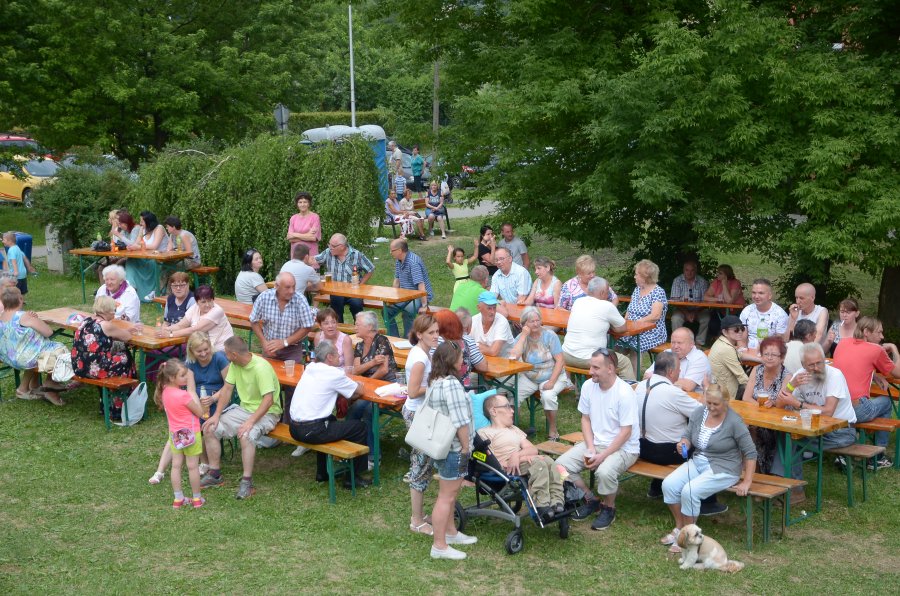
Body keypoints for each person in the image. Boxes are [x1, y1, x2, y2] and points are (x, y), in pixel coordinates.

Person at [660, 384, 756, 553]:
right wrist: (683, 443)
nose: (711, 407)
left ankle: (691, 537)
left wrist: (747, 482)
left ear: (726, 402)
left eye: (715, 404)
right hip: (699, 461)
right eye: (708, 402)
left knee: (690, 491)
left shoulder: (734, 421)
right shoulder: (699, 413)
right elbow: (688, 435)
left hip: (725, 468)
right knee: (668, 484)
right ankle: (680, 528)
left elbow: (751, 452)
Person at [557, 349, 640, 531]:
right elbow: (585, 419)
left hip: (625, 448)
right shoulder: (588, 386)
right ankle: (590, 498)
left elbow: (626, 432)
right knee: (560, 466)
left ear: (610, 368)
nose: (590, 371)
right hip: (596, 443)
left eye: (596, 367)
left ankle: (609, 507)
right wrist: (591, 447)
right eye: (590, 367)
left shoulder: (624, 393)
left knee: (604, 472)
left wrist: (602, 456)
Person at [636, 352, 723, 515]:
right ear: (670, 372)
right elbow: (705, 413)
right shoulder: (673, 392)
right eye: (678, 369)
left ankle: (656, 487)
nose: (680, 372)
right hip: (669, 453)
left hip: (643, 448)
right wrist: (706, 388)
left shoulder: (642, 385)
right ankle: (707, 502)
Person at [201, 336, 282, 499]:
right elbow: (227, 390)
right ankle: (215, 474)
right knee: (210, 428)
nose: (225, 356)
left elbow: (268, 400)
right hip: (244, 410)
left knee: (246, 435)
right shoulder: (235, 365)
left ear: (234, 354)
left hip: (268, 413)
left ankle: (247, 483)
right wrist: (216, 415)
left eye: (226, 353)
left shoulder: (261, 368)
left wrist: (250, 422)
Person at [149, 331, 232, 485]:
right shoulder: (190, 363)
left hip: (219, 399)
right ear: (192, 351)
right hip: (198, 400)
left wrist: (213, 398)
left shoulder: (219, 358)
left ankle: (205, 462)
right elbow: (191, 389)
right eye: (199, 351)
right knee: (180, 428)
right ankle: (160, 471)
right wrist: (197, 406)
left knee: (194, 426)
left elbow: (229, 386)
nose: (203, 353)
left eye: (206, 349)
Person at [289, 339, 372, 488]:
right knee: (360, 427)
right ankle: (352, 477)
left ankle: (322, 472)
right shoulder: (333, 373)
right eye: (337, 354)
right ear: (329, 357)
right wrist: (359, 385)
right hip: (312, 431)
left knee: (330, 419)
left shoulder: (310, 367)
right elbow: (359, 391)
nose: (339, 357)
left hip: (294, 429)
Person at [775, 343, 857, 480]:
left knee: (791, 440)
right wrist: (792, 385)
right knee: (784, 435)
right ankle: (779, 480)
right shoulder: (799, 375)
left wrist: (798, 403)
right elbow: (779, 404)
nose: (817, 368)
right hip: (814, 428)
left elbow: (828, 412)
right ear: (803, 364)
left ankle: (792, 487)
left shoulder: (835, 375)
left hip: (841, 431)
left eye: (819, 363)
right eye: (811, 365)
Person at [426, 341, 477, 560]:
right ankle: (439, 545)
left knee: (450, 493)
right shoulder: (452, 385)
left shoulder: (435, 381)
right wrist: (466, 448)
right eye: (460, 356)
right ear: (452, 360)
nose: (463, 360)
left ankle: (451, 532)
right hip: (455, 448)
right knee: (446, 497)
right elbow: (460, 421)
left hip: (441, 446)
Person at [479, 393, 564, 518]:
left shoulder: (513, 429)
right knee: (539, 463)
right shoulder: (484, 433)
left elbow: (532, 449)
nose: (512, 410)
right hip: (507, 468)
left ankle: (557, 500)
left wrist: (517, 455)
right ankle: (541, 504)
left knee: (549, 461)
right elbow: (491, 460)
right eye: (508, 406)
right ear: (494, 411)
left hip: (522, 461)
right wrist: (519, 458)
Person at [833, 316, 900, 468]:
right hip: (858, 410)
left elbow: (853, 365)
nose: (882, 337)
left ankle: (845, 453)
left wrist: (874, 375)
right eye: (879, 332)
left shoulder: (842, 343)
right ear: (866, 332)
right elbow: (898, 373)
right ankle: (878, 456)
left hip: (835, 407)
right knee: (887, 401)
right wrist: (895, 349)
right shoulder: (876, 350)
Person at [250, 272, 316, 421]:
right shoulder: (265, 297)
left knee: (293, 386)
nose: (292, 291)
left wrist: (285, 342)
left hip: (292, 348)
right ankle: (271, 417)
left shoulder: (299, 300)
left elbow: (307, 326)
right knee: (268, 384)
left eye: (293, 286)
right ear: (277, 286)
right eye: (287, 287)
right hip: (270, 347)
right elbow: (253, 321)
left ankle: (290, 420)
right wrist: (264, 343)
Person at [403, 315, 441, 537]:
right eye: (431, 333)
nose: (436, 336)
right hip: (418, 414)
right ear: (419, 335)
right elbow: (412, 391)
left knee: (425, 464)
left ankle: (420, 514)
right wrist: (436, 387)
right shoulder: (419, 359)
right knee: (420, 465)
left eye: (437, 332)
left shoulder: (423, 353)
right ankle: (416, 520)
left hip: (421, 412)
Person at [0, 287, 69, 404]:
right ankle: (50, 383)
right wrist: (34, 318)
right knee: (60, 349)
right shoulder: (23, 316)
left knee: (35, 349)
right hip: (24, 359)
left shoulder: (1, 316)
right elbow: (48, 332)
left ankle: (26, 388)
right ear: (20, 299)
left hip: (8, 357)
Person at [72, 296, 136, 419]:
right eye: (114, 310)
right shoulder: (106, 325)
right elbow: (127, 337)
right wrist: (129, 330)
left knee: (118, 357)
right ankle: (119, 406)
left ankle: (105, 403)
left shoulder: (86, 321)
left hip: (80, 366)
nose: (114, 313)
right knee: (125, 358)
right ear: (108, 311)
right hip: (95, 369)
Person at [508, 306, 567, 440]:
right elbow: (513, 356)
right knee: (514, 395)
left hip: (553, 374)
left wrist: (552, 381)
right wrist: (523, 335)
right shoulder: (522, 337)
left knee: (548, 396)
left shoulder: (549, 336)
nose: (535, 324)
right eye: (531, 321)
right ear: (524, 324)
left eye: (537, 320)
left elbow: (560, 361)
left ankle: (553, 430)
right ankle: (513, 430)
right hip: (530, 376)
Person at [154, 359, 205, 509]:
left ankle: (178, 498)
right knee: (193, 467)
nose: (186, 377)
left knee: (176, 466)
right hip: (191, 434)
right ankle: (197, 499)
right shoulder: (184, 395)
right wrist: (192, 392)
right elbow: (200, 412)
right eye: (183, 375)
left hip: (175, 435)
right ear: (172, 378)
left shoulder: (164, 392)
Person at [561, 277, 631, 379]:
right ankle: (629, 392)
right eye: (608, 292)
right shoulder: (607, 306)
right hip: (589, 359)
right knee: (625, 363)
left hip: (566, 355)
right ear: (603, 292)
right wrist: (611, 325)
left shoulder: (578, 302)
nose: (609, 296)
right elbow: (622, 328)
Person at [740, 336, 789, 475]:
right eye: (766, 354)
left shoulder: (786, 376)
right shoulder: (757, 370)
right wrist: (760, 408)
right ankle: (748, 471)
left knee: (753, 431)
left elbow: (781, 406)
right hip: (756, 418)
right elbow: (746, 397)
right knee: (744, 428)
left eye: (774, 354)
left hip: (776, 423)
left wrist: (772, 404)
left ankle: (756, 473)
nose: (769, 357)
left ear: (782, 357)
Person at [617, 259, 668, 374]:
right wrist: (624, 323)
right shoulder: (637, 290)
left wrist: (637, 323)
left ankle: (633, 381)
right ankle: (618, 376)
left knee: (635, 347)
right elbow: (629, 311)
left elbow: (655, 315)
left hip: (652, 332)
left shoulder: (658, 292)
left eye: (636, 274)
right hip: (633, 329)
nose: (634, 277)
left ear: (645, 277)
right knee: (616, 344)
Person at [314, 234, 375, 323]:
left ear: (342, 247)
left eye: (333, 246)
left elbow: (370, 269)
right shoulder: (328, 252)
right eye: (329, 244)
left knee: (356, 304)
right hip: (336, 291)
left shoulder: (356, 255)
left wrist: (361, 285)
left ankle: (359, 328)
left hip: (353, 291)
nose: (330, 247)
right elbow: (314, 260)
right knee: (336, 301)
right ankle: (339, 330)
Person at [157, 285, 234, 352]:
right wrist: (164, 330)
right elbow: (180, 325)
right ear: (197, 302)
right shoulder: (194, 308)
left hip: (219, 351)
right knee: (156, 350)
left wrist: (170, 335)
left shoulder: (217, 311)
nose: (207, 305)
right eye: (203, 302)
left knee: (160, 352)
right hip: (200, 347)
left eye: (210, 301)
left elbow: (195, 330)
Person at [385, 239, 433, 337]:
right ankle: (394, 338)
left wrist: (424, 305)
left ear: (400, 250)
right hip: (405, 296)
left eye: (392, 250)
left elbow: (421, 284)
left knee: (407, 312)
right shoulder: (399, 260)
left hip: (419, 296)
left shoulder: (413, 262)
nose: (390, 253)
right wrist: (392, 297)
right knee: (386, 311)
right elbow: (397, 280)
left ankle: (408, 341)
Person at [432, 309, 487, 390]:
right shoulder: (466, 342)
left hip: (438, 388)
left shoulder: (433, 340)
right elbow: (483, 367)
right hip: (460, 389)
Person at [644, 328, 711, 392]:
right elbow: (646, 376)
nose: (675, 346)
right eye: (673, 342)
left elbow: (688, 386)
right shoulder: (667, 353)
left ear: (691, 344)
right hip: (668, 394)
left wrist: (657, 376)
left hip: (693, 399)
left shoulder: (699, 358)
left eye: (680, 343)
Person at [125, 211, 169, 301]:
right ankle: (131, 288)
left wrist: (138, 247)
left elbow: (154, 246)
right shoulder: (143, 229)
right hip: (145, 258)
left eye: (142, 221)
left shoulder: (159, 228)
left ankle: (154, 292)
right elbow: (136, 243)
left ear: (149, 221)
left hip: (158, 259)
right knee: (130, 260)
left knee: (147, 262)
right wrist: (132, 247)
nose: (140, 223)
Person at [708, 314, 750, 400]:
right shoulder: (726, 349)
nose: (740, 332)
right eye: (736, 330)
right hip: (726, 395)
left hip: (717, 388)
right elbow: (742, 377)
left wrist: (760, 359)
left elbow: (739, 355)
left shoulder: (722, 342)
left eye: (742, 329)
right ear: (725, 332)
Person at [739, 278, 788, 350]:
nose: (756, 296)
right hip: (748, 353)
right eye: (754, 292)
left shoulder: (780, 314)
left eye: (761, 293)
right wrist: (743, 352)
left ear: (770, 295)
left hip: (770, 354)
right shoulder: (747, 311)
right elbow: (741, 339)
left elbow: (780, 342)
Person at [669, 260, 710, 346]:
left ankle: (699, 343)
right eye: (687, 270)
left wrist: (695, 312)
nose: (689, 273)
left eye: (692, 270)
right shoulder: (677, 281)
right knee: (676, 319)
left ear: (696, 271)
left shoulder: (702, 282)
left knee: (706, 318)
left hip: (699, 309)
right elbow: (674, 301)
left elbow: (706, 301)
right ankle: (677, 342)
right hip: (681, 309)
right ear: (683, 270)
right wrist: (687, 313)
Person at [350, 310, 397, 382]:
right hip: (367, 382)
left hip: (386, 383)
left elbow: (384, 370)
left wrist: (368, 382)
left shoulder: (382, 341)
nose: (355, 328)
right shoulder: (359, 346)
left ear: (369, 326)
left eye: (357, 325)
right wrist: (373, 362)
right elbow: (356, 371)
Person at [470, 291, 515, 357]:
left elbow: (494, 352)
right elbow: (465, 345)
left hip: (508, 363)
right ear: (479, 308)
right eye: (489, 308)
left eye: (494, 308)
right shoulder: (473, 320)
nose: (493, 312)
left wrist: (476, 346)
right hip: (485, 361)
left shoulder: (502, 321)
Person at [285, 191, 321, 260]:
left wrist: (294, 234)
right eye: (300, 202)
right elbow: (289, 238)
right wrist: (307, 234)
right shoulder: (293, 218)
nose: (302, 204)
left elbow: (313, 238)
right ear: (297, 204)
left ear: (309, 203)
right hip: (296, 257)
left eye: (305, 202)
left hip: (310, 257)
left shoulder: (315, 217)